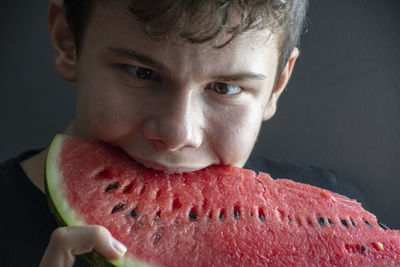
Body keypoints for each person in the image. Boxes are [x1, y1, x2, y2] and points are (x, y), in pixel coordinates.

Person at [0, 0, 367, 266]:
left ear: (276, 87)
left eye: (224, 88)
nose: (178, 133)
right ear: (68, 43)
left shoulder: (339, 221)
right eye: (141, 73)